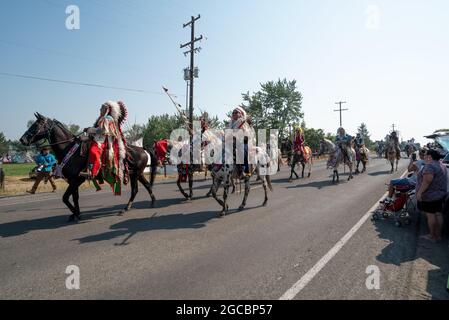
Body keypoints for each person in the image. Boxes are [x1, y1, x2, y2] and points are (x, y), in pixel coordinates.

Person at [82, 101, 128, 195]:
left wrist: (89, 130)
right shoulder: (103, 118)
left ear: (107, 109)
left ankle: (92, 172)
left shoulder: (108, 119)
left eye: (101, 108)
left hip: (104, 142)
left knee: (93, 150)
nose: (100, 110)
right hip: (98, 139)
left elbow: (103, 130)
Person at [416, 148, 448, 243]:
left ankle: (432, 236)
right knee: (438, 214)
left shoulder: (429, 166)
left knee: (431, 215)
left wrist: (419, 192)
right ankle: (438, 235)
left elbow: (427, 181)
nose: (424, 157)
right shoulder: (442, 165)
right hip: (440, 195)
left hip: (430, 196)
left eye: (425, 155)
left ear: (429, 157)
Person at [227, 106, 252, 176]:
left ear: (240, 114)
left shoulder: (243, 122)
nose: (234, 114)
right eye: (233, 113)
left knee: (242, 151)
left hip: (242, 142)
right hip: (231, 142)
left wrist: (238, 136)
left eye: (236, 112)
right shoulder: (230, 123)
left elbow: (247, 134)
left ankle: (246, 171)